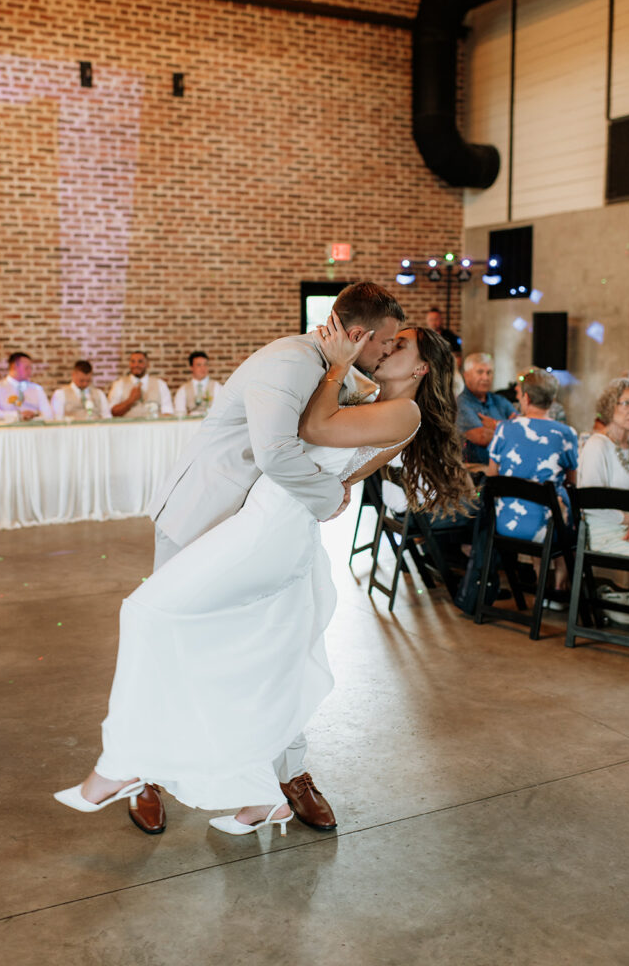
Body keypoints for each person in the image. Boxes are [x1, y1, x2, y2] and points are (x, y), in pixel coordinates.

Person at [53, 309, 469, 842]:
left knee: (149, 612)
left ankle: (129, 766)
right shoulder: (342, 385)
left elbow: (313, 435)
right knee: (254, 660)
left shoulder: (397, 411)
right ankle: (250, 795)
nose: (388, 350)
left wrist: (337, 373)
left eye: (401, 346)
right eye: (387, 340)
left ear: (422, 370)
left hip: (269, 529)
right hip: (247, 517)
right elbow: (328, 460)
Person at [487, 367, 578, 593]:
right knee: (568, 510)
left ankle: (541, 584)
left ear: (526, 397)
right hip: (547, 528)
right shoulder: (565, 433)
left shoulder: (504, 429)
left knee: (545, 503)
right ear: (553, 399)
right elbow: (572, 481)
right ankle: (559, 584)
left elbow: (491, 477)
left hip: (505, 524)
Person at [578, 376, 629, 555]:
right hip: (609, 534)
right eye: (627, 403)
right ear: (610, 407)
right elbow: (591, 503)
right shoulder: (596, 445)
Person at [457, 352, 515, 465]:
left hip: (505, 467)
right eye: (480, 372)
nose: (485, 377)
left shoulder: (500, 400)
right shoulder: (461, 404)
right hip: (476, 471)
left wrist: (495, 425)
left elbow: (522, 427)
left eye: (489, 372)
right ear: (466, 375)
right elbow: (482, 438)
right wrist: (510, 426)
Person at [0, 351, 53, 422]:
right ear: (14, 367)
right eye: (26, 367)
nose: (30, 371)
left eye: (30, 368)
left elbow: (49, 415)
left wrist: (35, 414)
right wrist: (16, 415)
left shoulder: (37, 389)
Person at [108, 351, 173, 419]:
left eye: (140, 361)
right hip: (127, 428)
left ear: (147, 364)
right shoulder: (119, 384)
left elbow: (168, 412)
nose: (136, 365)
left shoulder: (160, 384)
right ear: (129, 364)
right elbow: (113, 413)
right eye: (133, 361)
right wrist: (131, 400)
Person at [174, 350, 223, 415]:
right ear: (191, 367)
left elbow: (221, 409)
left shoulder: (217, 387)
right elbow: (179, 412)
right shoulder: (183, 390)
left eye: (205, 364)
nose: (203, 368)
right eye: (199, 365)